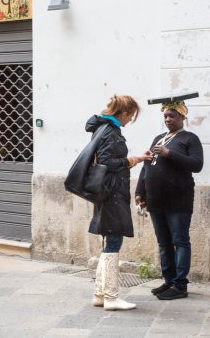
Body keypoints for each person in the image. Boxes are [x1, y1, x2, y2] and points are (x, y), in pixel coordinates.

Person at [135, 96, 204, 300]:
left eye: (172, 116)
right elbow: (147, 165)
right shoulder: (158, 138)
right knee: (164, 242)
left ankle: (180, 285)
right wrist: (140, 191)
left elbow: (197, 165)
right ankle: (169, 280)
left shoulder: (189, 139)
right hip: (156, 201)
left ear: (182, 117)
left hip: (178, 201)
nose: (168, 119)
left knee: (180, 241)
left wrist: (169, 153)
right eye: (165, 116)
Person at [86, 95, 149, 311]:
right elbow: (107, 162)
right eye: (130, 115)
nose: (130, 120)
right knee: (113, 243)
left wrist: (137, 158)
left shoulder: (102, 128)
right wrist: (131, 160)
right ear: (122, 113)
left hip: (107, 192)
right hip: (112, 193)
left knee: (109, 242)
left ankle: (100, 294)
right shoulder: (111, 132)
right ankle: (111, 297)